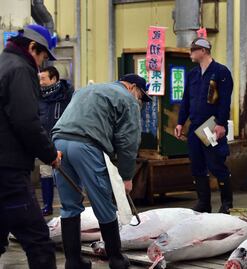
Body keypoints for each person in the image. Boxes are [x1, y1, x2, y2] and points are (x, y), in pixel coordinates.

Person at [51, 74, 151, 269]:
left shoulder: (86, 90)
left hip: (59, 143)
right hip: (86, 146)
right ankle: (116, 259)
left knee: (69, 206)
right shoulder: (127, 99)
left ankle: (73, 261)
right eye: (141, 96)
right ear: (132, 87)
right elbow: (128, 141)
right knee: (103, 202)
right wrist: (127, 177)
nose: (139, 101)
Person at [0, 24, 61, 268]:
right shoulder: (20, 69)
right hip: (9, 171)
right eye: (43, 56)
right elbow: (26, 120)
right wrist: (49, 154)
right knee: (38, 242)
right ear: (33, 47)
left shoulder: (3, 63)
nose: (42, 64)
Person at [174, 38, 234, 214]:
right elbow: (186, 100)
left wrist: (221, 124)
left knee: (216, 163)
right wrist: (180, 122)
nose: (190, 53)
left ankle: (226, 203)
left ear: (204, 51)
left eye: (193, 50)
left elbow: (225, 101)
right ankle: (204, 203)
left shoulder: (221, 72)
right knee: (197, 164)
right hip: (195, 126)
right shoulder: (192, 74)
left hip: (211, 126)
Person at [38, 66, 74, 216]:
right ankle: (47, 206)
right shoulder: (38, 96)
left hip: (63, 140)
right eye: (39, 78)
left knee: (64, 174)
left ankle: (70, 206)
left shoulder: (68, 95)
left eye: (43, 78)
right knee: (45, 173)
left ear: (54, 79)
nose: (40, 82)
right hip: (44, 141)